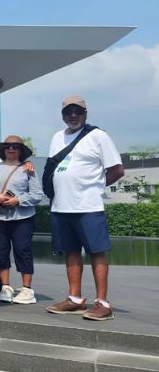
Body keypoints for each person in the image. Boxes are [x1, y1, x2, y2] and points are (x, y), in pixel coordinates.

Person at [45, 96, 124, 322]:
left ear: (85, 113)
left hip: (88, 205)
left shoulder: (98, 136)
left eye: (77, 111)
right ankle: (75, 298)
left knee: (96, 251)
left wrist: (94, 186)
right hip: (61, 206)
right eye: (68, 112)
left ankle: (103, 303)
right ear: (63, 115)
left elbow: (117, 170)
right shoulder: (57, 137)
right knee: (71, 251)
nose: (73, 115)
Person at [0, 135, 44, 305]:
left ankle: (27, 289)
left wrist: (18, 200)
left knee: (23, 250)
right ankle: (5, 287)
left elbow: (37, 194)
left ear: (21, 150)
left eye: (15, 147)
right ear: (3, 149)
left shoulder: (28, 168)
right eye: (8, 146)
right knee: (0, 251)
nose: (11, 149)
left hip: (23, 217)